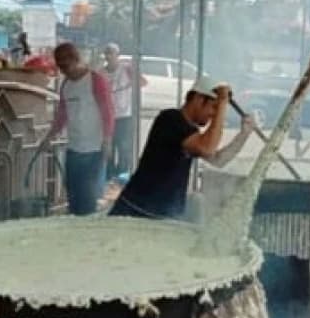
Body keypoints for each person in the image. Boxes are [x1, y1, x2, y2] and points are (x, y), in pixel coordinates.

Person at [108, 76, 253, 220]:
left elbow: (218, 160)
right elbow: (206, 148)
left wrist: (244, 134)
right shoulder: (170, 119)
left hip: (165, 212)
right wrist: (222, 102)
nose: (214, 114)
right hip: (138, 209)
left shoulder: (192, 132)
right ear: (198, 99)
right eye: (213, 107)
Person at [41, 43, 115, 216]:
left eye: (66, 65)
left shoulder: (95, 80)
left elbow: (108, 112)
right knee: (73, 193)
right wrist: (49, 137)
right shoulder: (66, 85)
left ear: (76, 60)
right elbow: (62, 116)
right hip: (74, 147)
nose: (63, 70)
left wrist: (108, 140)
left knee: (87, 197)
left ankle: (88, 228)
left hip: (94, 148)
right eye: (60, 67)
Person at [102, 43, 147, 183]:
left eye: (112, 53)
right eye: (107, 53)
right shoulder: (101, 73)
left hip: (125, 115)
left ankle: (121, 176)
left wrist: (134, 73)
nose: (109, 56)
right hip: (108, 116)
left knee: (123, 148)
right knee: (109, 147)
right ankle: (109, 175)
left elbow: (143, 82)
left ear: (117, 55)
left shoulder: (126, 69)